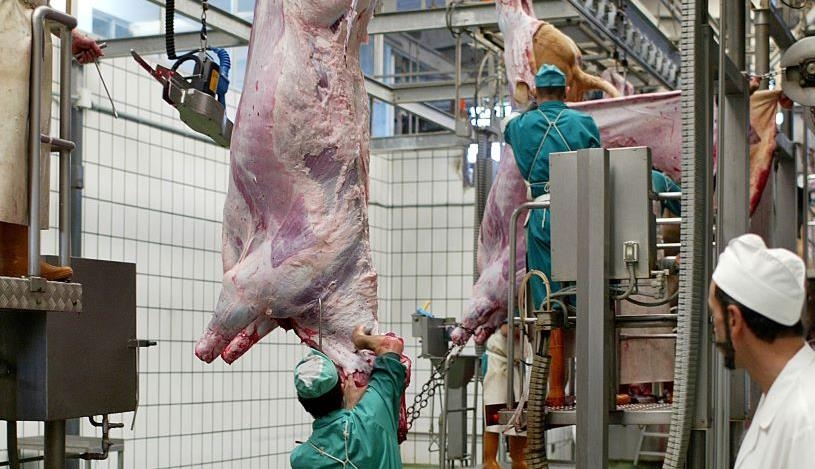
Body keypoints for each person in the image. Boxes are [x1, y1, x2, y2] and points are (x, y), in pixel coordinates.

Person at [0, 0, 103, 281]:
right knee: (9, 143)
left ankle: (16, 253)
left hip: (29, 27)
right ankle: (11, 255)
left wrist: (65, 31)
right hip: (9, 28)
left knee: (25, 147)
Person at [708, 234, 815, 468]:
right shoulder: (778, 392)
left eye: (714, 318)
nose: (714, 331)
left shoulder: (806, 419)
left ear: (733, 320)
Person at [502, 63, 601, 307]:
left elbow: (506, 124)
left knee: (547, 294)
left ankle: (552, 327)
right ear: (566, 92)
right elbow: (598, 163)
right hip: (580, 212)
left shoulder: (520, 126)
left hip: (541, 214)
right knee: (583, 289)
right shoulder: (584, 122)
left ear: (535, 92)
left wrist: (530, 105)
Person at [290, 325, 406, 469]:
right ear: (341, 387)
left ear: (303, 403)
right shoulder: (372, 414)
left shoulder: (301, 459)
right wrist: (359, 339)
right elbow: (390, 345)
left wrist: (350, 412)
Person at [482, 322, 531, 469]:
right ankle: (490, 461)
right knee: (494, 414)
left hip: (516, 365)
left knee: (519, 414)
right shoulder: (508, 308)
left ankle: (518, 459)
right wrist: (525, 330)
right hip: (497, 364)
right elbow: (506, 329)